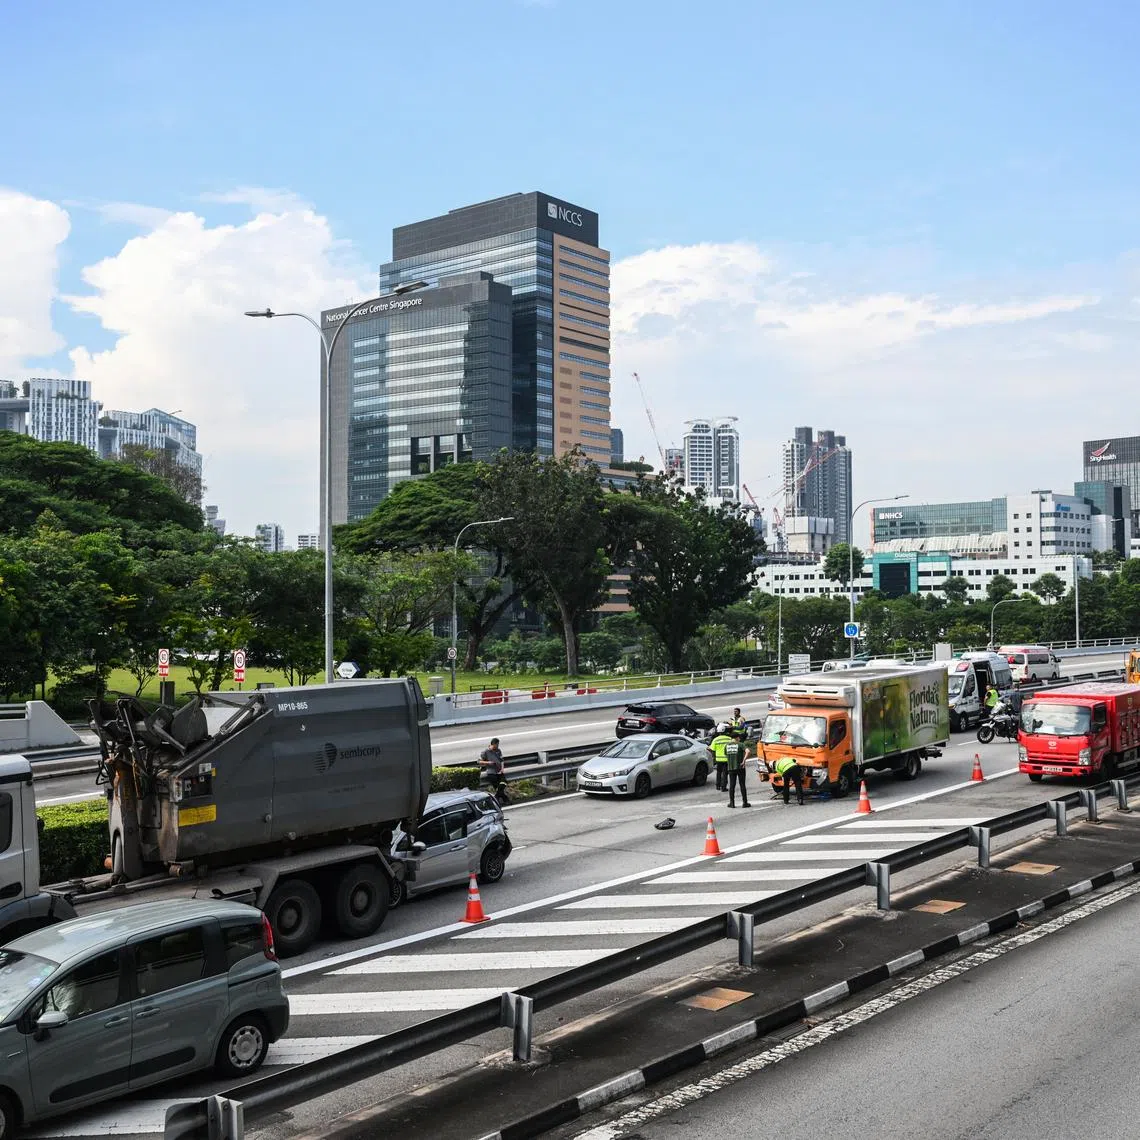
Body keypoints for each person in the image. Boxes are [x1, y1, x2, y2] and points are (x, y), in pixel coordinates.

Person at [478, 737, 509, 803]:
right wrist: (488, 762)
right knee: (497, 786)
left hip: (499, 771)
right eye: (497, 745)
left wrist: (502, 769)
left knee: (504, 783)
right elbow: (479, 761)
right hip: (491, 772)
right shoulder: (485, 752)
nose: (498, 746)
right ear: (493, 744)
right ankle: (505, 799)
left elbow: (502, 760)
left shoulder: (498, 750)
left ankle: (496, 797)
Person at [725, 735, 750, 807]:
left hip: (731, 768)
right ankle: (745, 803)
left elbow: (726, 755)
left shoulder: (727, 746)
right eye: (739, 737)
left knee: (732, 785)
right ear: (737, 738)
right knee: (742, 785)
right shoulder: (740, 744)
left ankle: (732, 803)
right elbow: (748, 751)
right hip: (740, 767)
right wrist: (744, 760)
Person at [709, 724, 733, 792]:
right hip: (727, 759)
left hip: (718, 759)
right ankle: (723, 787)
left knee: (719, 772)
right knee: (725, 773)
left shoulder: (715, 740)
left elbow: (712, 749)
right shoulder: (729, 739)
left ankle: (718, 785)